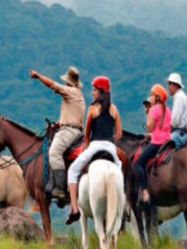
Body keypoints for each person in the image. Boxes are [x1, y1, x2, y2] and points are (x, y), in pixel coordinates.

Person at [65, 76, 123, 225]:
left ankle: (74, 209)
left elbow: (86, 135)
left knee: (72, 171)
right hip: (110, 147)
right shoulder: (114, 109)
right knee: (120, 172)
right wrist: (111, 141)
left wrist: (86, 145)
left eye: (94, 90)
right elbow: (120, 134)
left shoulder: (92, 108)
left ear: (101, 91)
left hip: (95, 146)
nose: (92, 93)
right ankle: (123, 206)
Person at [29, 66, 85, 198]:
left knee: (54, 153)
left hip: (69, 131)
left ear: (68, 83)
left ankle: (60, 188)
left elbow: (53, 85)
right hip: (71, 128)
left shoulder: (71, 91)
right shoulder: (77, 95)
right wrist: (57, 123)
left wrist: (38, 76)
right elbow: (72, 116)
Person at [133, 84, 171, 203]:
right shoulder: (167, 110)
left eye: (152, 95)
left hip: (157, 142)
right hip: (167, 141)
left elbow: (149, 128)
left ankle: (145, 191)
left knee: (138, 163)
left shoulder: (154, 109)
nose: (150, 98)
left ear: (158, 97)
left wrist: (149, 114)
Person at [167, 73, 187, 148]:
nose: (168, 87)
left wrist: (166, 129)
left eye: (170, 84)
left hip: (180, 133)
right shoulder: (180, 96)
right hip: (181, 132)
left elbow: (175, 120)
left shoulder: (179, 97)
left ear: (175, 85)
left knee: (167, 148)